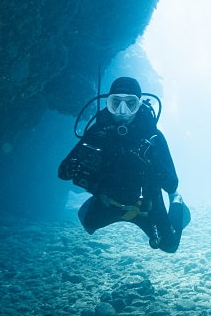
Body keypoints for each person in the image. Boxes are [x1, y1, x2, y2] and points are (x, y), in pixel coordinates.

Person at [58, 76, 191, 251]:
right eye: (116, 103)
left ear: (139, 105)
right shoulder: (98, 131)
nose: (122, 111)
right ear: (108, 104)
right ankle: (95, 207)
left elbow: (172, 183)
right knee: (89, 223)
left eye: (130, 104)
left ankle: (177, 202)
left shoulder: (152, 136)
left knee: (169, 246)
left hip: (146, 205)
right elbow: (62, 172)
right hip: (109, 201)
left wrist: (155, 165)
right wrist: (74, 169)